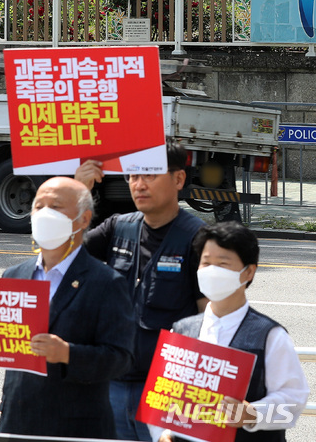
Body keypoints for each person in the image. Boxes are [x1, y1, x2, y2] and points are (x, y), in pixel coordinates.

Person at [76, 137, 208, 441]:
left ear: (178, 179)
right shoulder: (117, 227)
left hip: (166, 390)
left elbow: (209, 320)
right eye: (133, 175)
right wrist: (79, 191)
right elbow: (63, 258)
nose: (138, 184)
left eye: (149, 174)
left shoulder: (199, 239)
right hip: (112, 384)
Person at [0, 177, 135, 439]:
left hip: (76, 426)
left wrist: (68, 354)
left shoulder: (106, 282)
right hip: (17, 421)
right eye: (39, 206)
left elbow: (120, 359)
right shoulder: (14, 276)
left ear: (83, 220)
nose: (44, 214)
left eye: (56, 207)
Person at [157, 222, 309, 442]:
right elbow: (165, 396)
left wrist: (252, 414)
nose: (211, 272)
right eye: (206, 263)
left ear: (248, 272)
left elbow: (294, 401)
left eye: (222, 264)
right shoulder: (182, 330)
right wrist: (165, 433)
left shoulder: (269, 336)